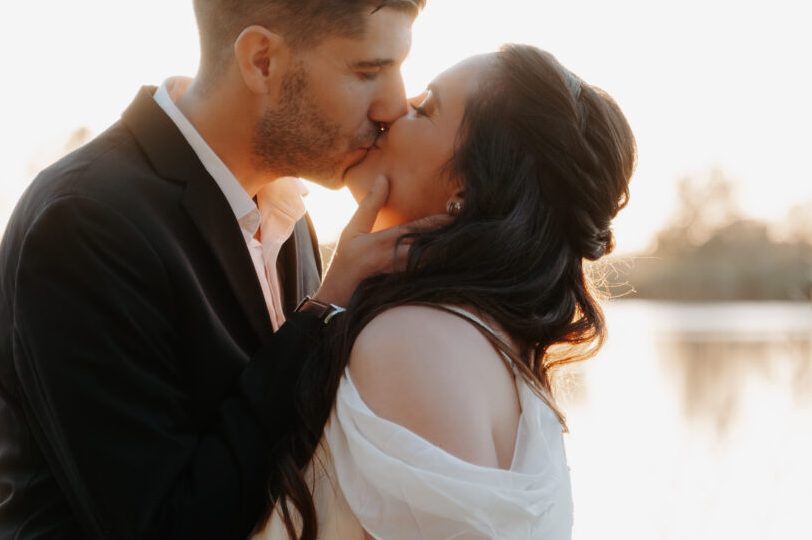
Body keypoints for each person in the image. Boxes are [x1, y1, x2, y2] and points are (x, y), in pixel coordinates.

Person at [0, 0, 431, 539]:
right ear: (262, 60)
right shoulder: (84, 223)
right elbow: (167, 526)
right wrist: (324, 312)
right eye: (368, 70)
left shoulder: (290, 220)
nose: (394, 104)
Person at [254, 44, 637, 539]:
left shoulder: (416, 341)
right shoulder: (487, 344)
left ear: (468, 190)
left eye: (426, 107)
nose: (394, 109)